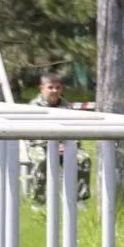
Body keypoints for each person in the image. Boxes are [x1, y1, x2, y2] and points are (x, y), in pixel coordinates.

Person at [28, 73, 92, 205]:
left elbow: (74, 130)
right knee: (41, 160)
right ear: (41, 88)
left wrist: (69, 144)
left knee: (83, 159)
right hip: (39, 145)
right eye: (50, 87)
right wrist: (52, 145)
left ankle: (78, 199)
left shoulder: (66, 107)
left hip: (65, 145)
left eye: (58, 88)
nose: (54, 91)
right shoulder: (33, 107)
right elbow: (31, 133)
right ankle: (38, 200)